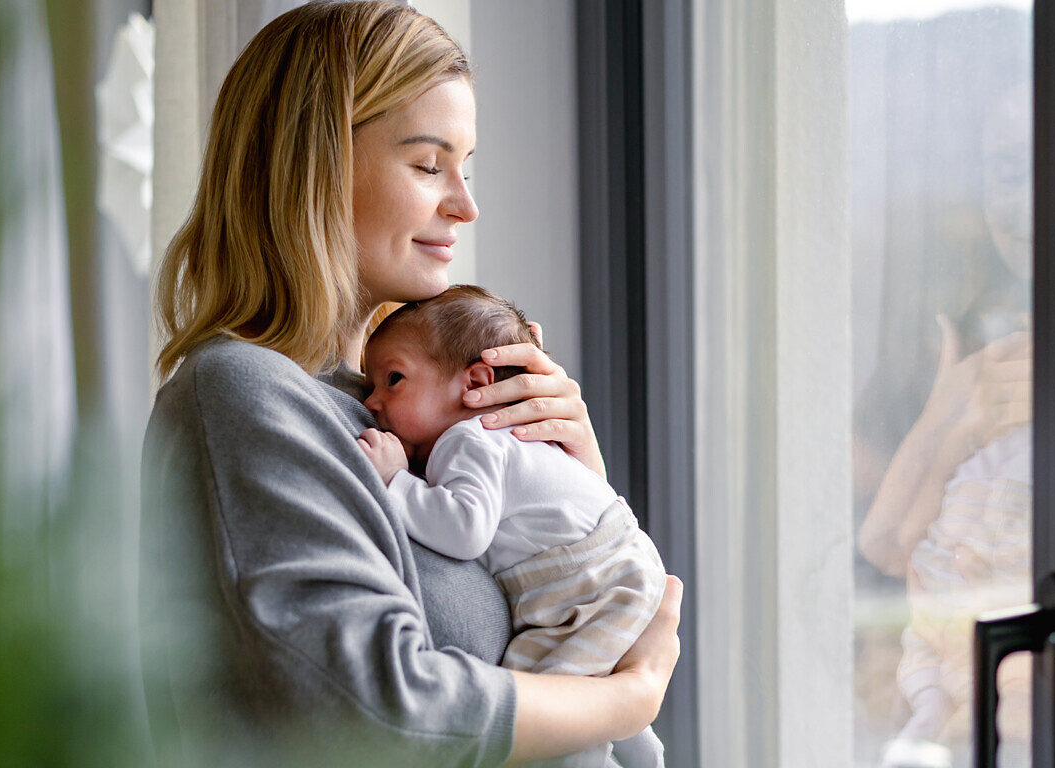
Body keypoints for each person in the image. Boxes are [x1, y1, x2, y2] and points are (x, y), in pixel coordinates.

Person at [139, 3, 682, 767]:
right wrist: (630, 696)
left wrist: (575, 493)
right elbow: (378, 712)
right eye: (430, 165)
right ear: (314, 167)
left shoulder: (407, 414)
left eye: (467, 167)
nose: (465, 204)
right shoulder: (245, 397)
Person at [356, 285, 667, 768]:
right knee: (591, 688)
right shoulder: (497, 439)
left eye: (393, 379)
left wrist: (395, 481)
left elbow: (464, 531)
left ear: (477, 381)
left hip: (587, 583)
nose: (373, 401)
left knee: (549, 703)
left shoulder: (469, 440)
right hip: (610, 565)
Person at [858, 81, 1033, 768]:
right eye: (1007, 171)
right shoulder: (955, 327)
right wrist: (953, 418)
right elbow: (881, 539)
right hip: (947, 647)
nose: (1026, 203)